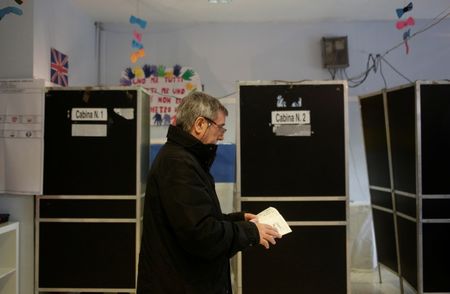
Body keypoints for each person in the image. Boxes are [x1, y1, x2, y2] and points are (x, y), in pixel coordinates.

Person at [137, 91, 281, 294]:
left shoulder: (183, 159)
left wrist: (236, 220)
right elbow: (201, 235)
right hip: (178, 284)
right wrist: (249, 232)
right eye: (220, 127)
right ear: (199, 125)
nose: (222, 135)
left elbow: (196, 218)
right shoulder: (178, 165)